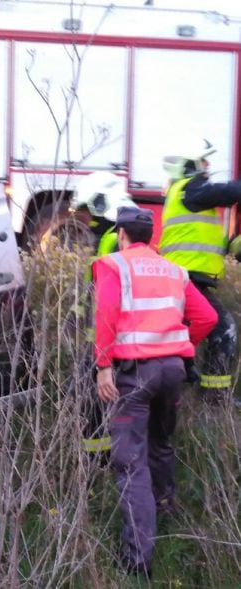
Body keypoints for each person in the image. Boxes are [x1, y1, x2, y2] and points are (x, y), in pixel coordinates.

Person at [93, 206, 218, 577]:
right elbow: (207, 317)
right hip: (172, 371)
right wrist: (183, 344)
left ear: (121, 234)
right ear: (151, 236)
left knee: (130, 464)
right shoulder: (174, 270)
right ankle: (165, 512)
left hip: (135, 374)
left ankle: (137, 561)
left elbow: (105, 314)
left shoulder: (114, 265)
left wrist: (103, 367)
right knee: (161, 445)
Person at [159, 140, 241, 404]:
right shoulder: (190, 189)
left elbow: (209, 241)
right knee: (223, 328)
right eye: (204, 163)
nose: (208, 169)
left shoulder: (187, 196)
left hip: (186, 278)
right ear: (190, 165)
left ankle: (183, 384)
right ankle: (214, 397)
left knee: (187, 333)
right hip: (186, 278)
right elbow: (229, 191)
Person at [70, 172, 138, 461]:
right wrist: (75, 313)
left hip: (107, 342)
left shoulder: (112, 241)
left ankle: (98, 462)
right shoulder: (107, 238)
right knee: (90, 400)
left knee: (94, 403)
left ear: (99, 204)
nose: (83, 218)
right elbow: (91, 288)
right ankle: (99, 459)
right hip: (100, 340)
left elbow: (108, 297)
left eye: (85, 210)